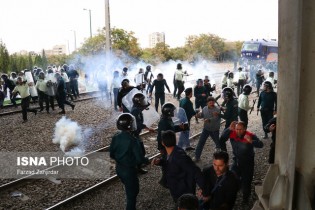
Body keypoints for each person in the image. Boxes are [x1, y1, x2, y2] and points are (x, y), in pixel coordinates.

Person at [151, 130, 205, 203]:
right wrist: (159, 162)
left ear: (163, 143)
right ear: (175, 140)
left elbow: (195, 171)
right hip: (176, 187)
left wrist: (205, 191)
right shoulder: (169, 152)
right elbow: (168, 162)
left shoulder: (180, 157)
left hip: (184, 191)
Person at [110, 113, 149, 210]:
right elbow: (140, 159)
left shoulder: (115, 137)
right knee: (132, 196)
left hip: (119, 168)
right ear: (130, 125)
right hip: (129, 171)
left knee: (129, 189)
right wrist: (147, 160)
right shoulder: (133, 140)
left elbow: (111, 154)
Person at [219, 121, 263, 203]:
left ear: (245, 129)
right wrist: (229, 129)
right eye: (237, 129)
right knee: (231, 179)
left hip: (248, 163)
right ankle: (232, 196)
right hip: (236, 161)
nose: (238, 131)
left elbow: (261, 144)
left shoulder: (250, 135)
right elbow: (221, 140)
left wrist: (251, 141)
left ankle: (245, 198)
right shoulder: (232, 133)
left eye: (240, 129)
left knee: (246, 182)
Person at [130, 93, 155, 174]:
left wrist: (147, 128)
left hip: (135, 134)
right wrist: (147, 128)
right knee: (141, 151)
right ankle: (138, 167)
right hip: (133, 135)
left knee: (140, 151)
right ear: (138, 102)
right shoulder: (135, 110)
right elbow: (137, 124)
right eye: (142, 100)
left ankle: (138, 165)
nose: (144, 102)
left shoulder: (137, 109)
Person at [194, 97, 221, 162]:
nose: (211, 104)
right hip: (206, 129)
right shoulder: (204, 108)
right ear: (207, 103)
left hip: (215, 129)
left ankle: (221, 157)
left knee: (218, 144)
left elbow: (216, 118)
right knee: (201, 142)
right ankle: (197, 157)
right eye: (210, 103)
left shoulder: (217, 109)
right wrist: (198, 115)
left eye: (213, 102)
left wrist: (209, 120)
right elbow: (202, 115)